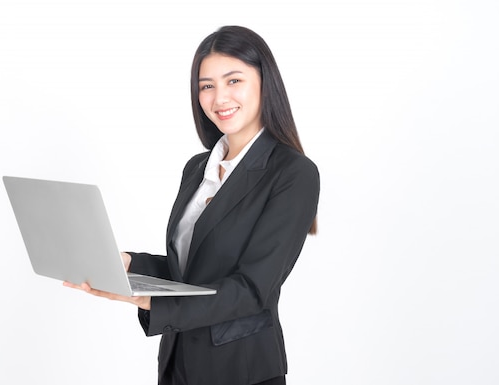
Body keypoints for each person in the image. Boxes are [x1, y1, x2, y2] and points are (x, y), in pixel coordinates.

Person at [64, 25, 320, 385]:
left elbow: (253, 289)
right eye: (207, 85)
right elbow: (190, 271)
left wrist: (152, 302)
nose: (219, 98)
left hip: (241, 370)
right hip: (178, 361)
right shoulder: (197, 168)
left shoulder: (293, 173)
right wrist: (127, 264)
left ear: (265, 82)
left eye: (234, 81)